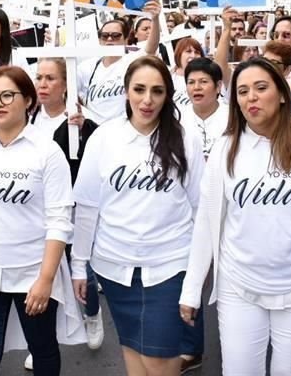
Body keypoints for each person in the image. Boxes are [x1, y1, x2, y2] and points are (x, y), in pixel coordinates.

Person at [178, 58, 291, 376]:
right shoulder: (225, 150)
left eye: (261, 88)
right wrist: (191, 289)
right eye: (243, 91)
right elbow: (206, 224)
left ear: (281, 94)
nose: (251, 97)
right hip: (239, 287)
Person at [73, 56, 206, 376]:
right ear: (126, 91)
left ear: (167, 95)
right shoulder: (103, 138)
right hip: (113, 267)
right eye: (140, 89)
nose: (147, 100)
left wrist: (198, 274)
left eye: (157, 91)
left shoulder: (186, 139)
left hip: (169, 266)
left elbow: (201, 208)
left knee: (160, 361)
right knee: (132, 351)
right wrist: (79, 265)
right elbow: (88, 207)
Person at [0, 66, 79, 376]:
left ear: (29, 101)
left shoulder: (47, 152)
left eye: (8, 95)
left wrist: (46, 279)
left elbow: (59, 220)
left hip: (32, 272)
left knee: (43, 351)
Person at [31, 58, 104, 354]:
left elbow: (98, 156)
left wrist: (86, 129)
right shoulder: (30, 116)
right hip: (36, 209)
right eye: (39, 78)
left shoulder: (78, 120)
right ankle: (41, 341)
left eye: (50, 78)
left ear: (65, 85)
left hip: (70, 208)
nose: (43, 84)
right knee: (41, 272)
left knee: (80, 267)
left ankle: (92, 314)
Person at [77, 0, 161, 124]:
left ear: (126, 39)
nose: (109, 39)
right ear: (99, 40)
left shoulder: (133, 61)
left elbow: (151, 48)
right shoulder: (86, 67)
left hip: (124, 128)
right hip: (94, 131)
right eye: (105, 36)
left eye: (116, 36)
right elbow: (67, 90)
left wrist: (155, 19)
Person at [179, 57, 230, 161]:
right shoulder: (178, 118)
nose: (196, 87)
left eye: (203, 81)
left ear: (218, 86)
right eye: (191, 82)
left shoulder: (232, 117)